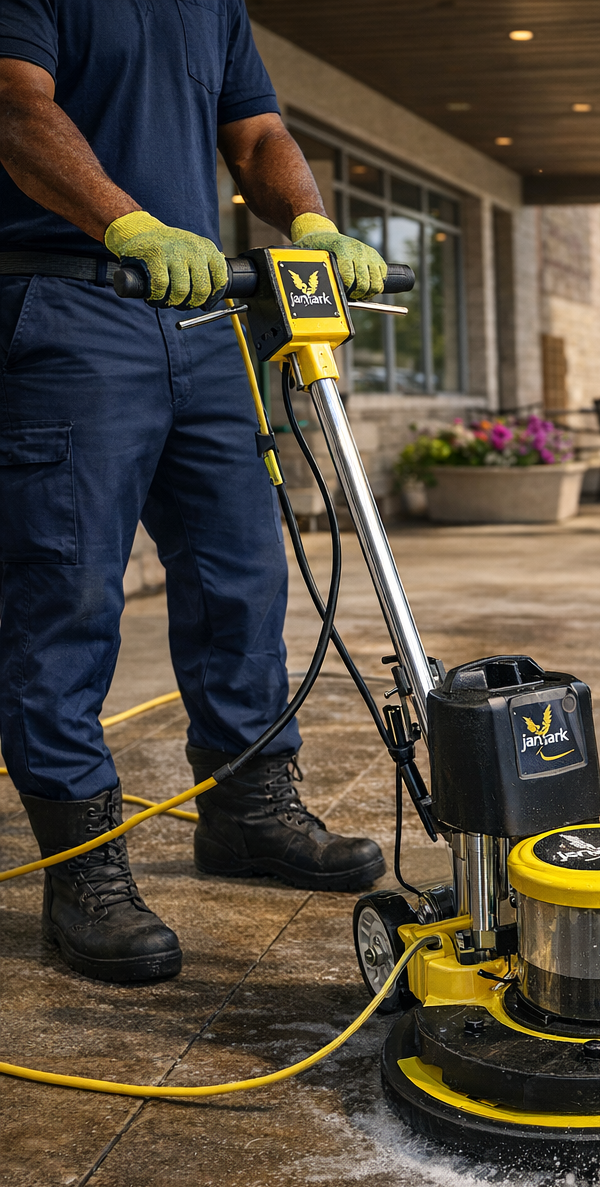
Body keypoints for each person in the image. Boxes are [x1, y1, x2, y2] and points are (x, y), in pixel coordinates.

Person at [0, 1, 389, 985]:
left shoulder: (211, 3)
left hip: (206, 312)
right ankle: (81, 862)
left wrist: (308, 221)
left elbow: (255, 133)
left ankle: (250, 811)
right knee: (66, 589)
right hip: (70, 299)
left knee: (242, 572)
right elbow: (14, 105)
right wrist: (124, 222)